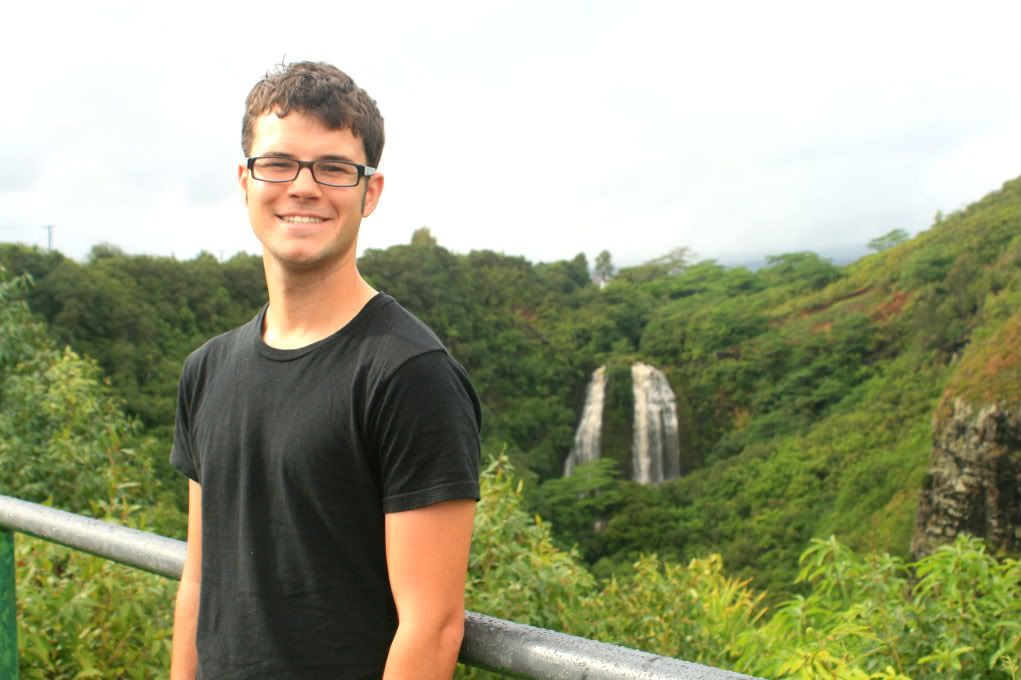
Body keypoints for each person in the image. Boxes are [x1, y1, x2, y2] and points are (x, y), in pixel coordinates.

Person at [169, 61, 482, 679]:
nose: (303, 187)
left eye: (335, 168)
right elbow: (200, 578)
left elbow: (433, 626)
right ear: (245, 181)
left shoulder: (408, 375)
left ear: (371, 192)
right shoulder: (206, 371)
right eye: (278, 163)